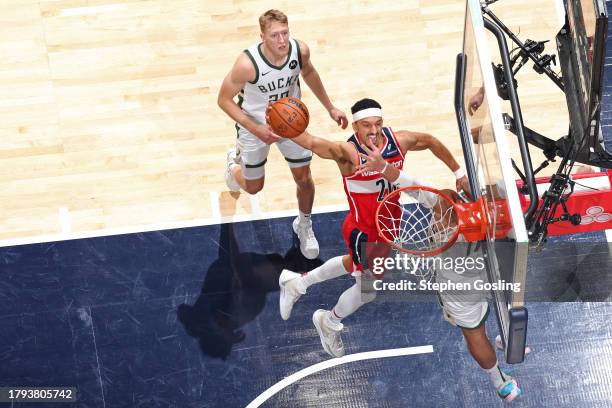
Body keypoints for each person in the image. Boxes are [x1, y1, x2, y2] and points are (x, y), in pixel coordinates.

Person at [277, 97, 467, 350]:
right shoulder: (348, 153)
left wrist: (459, 173)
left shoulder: (399, 142)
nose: (374, 131)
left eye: (377, 124)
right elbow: (311, 142)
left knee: (353, 265)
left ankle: (297, 283)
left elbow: (431, 141)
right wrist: (282, 129)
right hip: (362, 231)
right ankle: (328, 321)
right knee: (368, 289)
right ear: (355, 128)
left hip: (389, 227)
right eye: (366, 125)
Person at [217, 9, 348, 259]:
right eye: (275, 35)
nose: (281, 41)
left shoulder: (300, 51)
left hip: (290, 123)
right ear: (262, 37)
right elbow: (224, 100)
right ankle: (233, 167)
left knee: (304, 179)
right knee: (254, 188)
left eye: (285, 33)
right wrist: (257, 129)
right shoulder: (247, 64)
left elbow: (308, 72)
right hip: (254, 126)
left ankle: (304, 224)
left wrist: (330, 107)